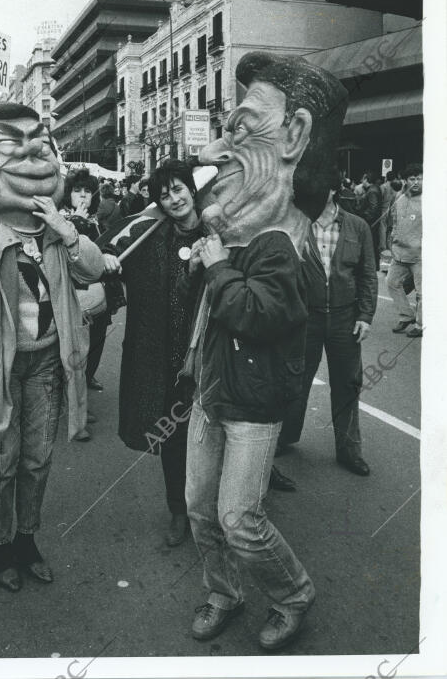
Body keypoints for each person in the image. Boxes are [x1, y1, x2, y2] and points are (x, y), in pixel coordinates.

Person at [181, 51, 347, 650]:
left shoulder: (280, 244)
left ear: (295, 134)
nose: (222, 145)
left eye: (245, 123)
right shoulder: (235, 230)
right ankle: (223, 592)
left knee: (239, 519)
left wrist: (218, 263)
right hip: (211, 395)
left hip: (252, 405)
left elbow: (255, 316)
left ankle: (293, 595)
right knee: (200, 509)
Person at [0, 102, 104, 593]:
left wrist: (67, 231)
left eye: (42, 142)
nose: (35, 152)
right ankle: (1, 545)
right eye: (11, 142)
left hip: (47, 364)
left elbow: (93, 270)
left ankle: (28, 538)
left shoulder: (55, 232)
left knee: (37, 460)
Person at [103, 159, 203, 547]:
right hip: (165, 358)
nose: (174, 199)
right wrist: (109, 258)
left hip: (207, 355)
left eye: (178, 189)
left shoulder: (215, 233)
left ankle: (207, 509)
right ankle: (179, 509)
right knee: (174, 434)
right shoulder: (149, 236)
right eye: (165, 195)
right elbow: (102, 254)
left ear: (192, 190)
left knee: (208, 434)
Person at [277, 169, 377, 477]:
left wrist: (364, 315)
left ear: (333, 191)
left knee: (347, 384)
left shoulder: (357, 227)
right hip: (305, 317)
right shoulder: (296, 225)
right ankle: (285, 436)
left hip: (346, 319)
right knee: (296, 379)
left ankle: (349, 450)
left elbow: (368, 275)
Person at [59, 168, 110, 440]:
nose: (82, 195)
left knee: (94, 348)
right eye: (77, 191)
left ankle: (79, 403)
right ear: (69, 194)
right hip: (75, 297)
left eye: (87, 191)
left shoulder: (96, 220)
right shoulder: (63, 221)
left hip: (98, 295)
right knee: (75, 354)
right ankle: (74, 413)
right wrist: (74, 222)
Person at [387, 163, 422, 338]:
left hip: (421, 255)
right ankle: (406, 315)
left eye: (419, 178)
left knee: (422, 291)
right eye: (412, 179)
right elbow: (394, 223)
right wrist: (392, 241)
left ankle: (421, 324)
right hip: (400, 252)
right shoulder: (400, 198)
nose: (416, 182)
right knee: (391, 282)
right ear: (405, 181)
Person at [357, 170, 382, 270]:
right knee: (373, 243)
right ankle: (374, 265)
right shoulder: (374, 189)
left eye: (363, 179)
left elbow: (373, 208)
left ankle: (373, 266)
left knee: (371, 243)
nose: (361, 181)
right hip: (373, 222)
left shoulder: (372, 191)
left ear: (366, 179)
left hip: (371, 223)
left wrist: (363, 217)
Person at [378, 170, 398, 257]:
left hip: (383, 209)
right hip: (391, 209)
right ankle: (389, 246)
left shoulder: (383, 186)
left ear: (386, 177)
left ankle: (382, 246)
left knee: (382, 227)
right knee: (389, 228)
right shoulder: (395, 187)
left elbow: (380, 199)